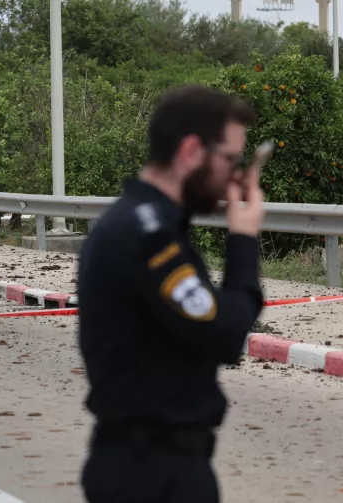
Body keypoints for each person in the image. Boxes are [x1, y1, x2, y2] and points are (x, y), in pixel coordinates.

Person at [76, 83, 266, 503]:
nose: (235, 176)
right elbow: (224, 333)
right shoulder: (149, 238)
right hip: (150, 474)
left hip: (147, 464)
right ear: (191, 151)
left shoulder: (141, 222)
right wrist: (243, 239)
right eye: (231, 159)